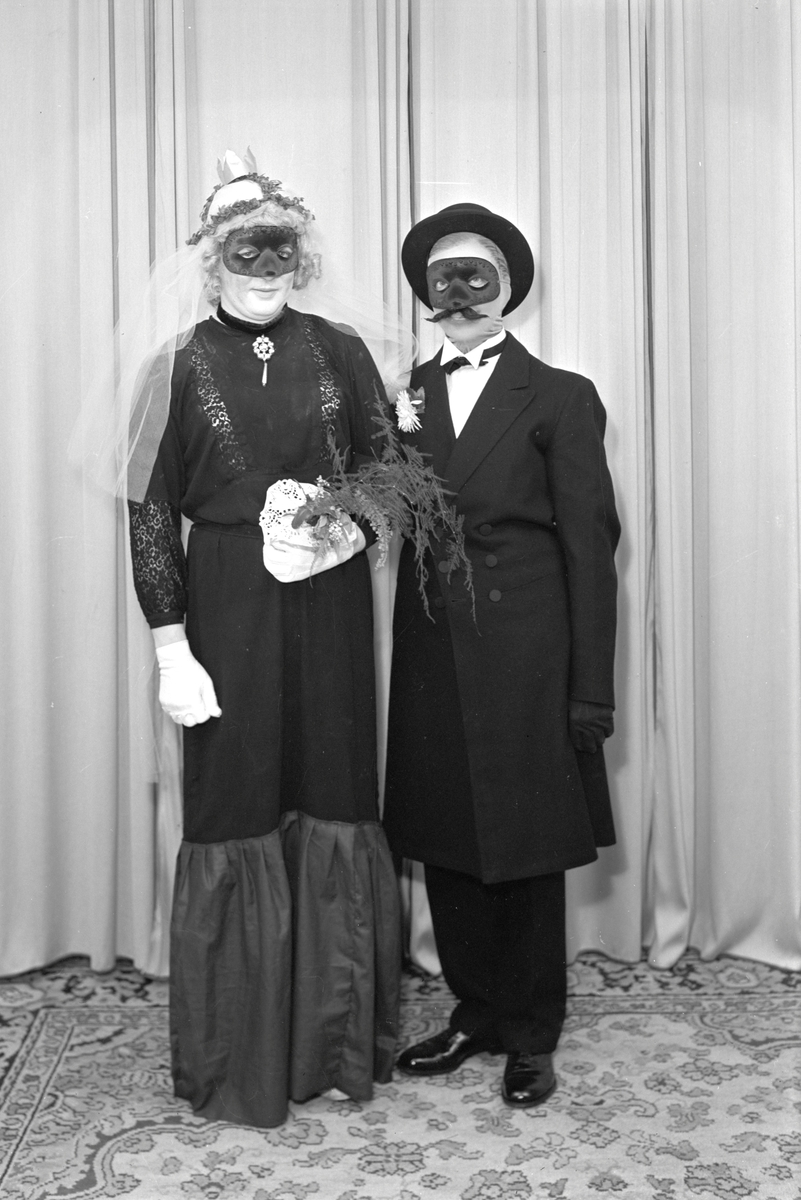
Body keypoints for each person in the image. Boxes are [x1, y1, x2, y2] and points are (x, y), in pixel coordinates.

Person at [124, 152, 402, 1128]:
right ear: (211, 259)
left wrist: (340, 529)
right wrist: (171, 647)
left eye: (280, 251)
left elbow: (387, 472)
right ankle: (237, 1057)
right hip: (226, 605)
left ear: (302, 255)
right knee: (237, 799)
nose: (265, 270)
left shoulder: (341, 350)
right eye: (246, 252)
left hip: (327, 604)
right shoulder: (173, 366)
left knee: (332, 787)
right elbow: (150, 514)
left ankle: (331, 1045)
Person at [383, 203, 620, 1107]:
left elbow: (590, 550)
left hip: (527, 656)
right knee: (446, 839)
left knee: (523, 846)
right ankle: (474, 1012)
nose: (457, 293)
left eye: (474, 276)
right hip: (432, 650)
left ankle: (529, 1033)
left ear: (508, 288)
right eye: (440, 278)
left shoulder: (559, 394)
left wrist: (588, 689)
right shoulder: (402, 394)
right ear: (425, 293)